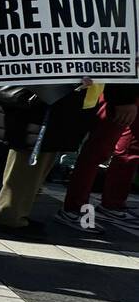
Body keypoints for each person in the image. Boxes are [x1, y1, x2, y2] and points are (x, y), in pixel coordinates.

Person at [0, 0, 130, 236]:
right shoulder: (50, 7)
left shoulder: (89, 9)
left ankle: (20, 213)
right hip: (42, 102)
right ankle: (9, 218)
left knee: (43, 161)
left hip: (67, 103)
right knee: (28, 162)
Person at [58, 93, 139, 231]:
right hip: (121, 92)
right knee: (98, 150)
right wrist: (123, 98)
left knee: (130, 149)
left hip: (128, 94)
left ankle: (112, 205)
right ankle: (74, 209)